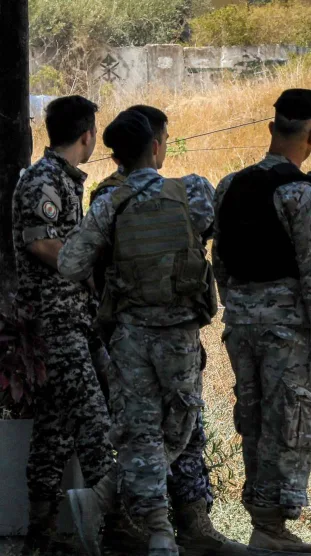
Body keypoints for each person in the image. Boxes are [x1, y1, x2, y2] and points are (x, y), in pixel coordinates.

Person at [83, 105, 247, 556]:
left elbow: (77, 265)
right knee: (166, 430)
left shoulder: (106, 199)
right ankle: (136, 521)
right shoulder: (186, 193)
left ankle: (184, 526)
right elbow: (216, 231)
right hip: (158, 336)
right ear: (156, 145)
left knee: (168, 433)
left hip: (129, 337)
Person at [213, 89, 311, 555]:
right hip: (288, 329)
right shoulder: (300, 193)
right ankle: (271, 527)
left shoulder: (229, 185)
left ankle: (263, 523)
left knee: (254, 418)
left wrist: (239, 306)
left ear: (271, 129)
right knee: (292, 420)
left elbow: (221, 262)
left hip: (241, 324)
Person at [10, 95, 116, 556]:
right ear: (87, 134)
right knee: (94, 425)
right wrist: (88, 268)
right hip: (58, 323)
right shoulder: (44, 179)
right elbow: (41, 245)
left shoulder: (63, 180)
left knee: (55, 431)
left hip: (72, 319)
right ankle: (118, 530)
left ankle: (41, 534)